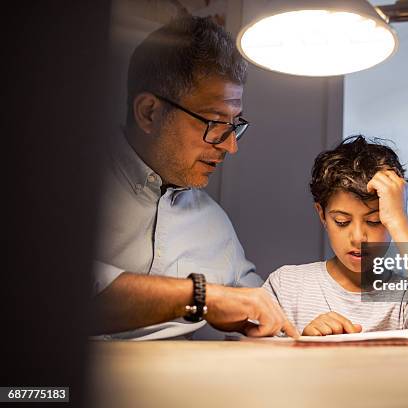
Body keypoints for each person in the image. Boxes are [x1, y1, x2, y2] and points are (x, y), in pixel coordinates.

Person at [93, 15, 298, 340]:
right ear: (149, 112)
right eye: (215, 123)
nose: (231, 146)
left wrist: (306, 321)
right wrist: (201, 296)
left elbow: (262, 308)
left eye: (234, 126)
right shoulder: (68, 183)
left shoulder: (214, 223)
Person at [263, 136, 408, 335]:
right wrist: (304, 344)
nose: (358, 238)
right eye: (342, 222)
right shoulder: (286, 285)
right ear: (322, 215)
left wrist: (399, 221)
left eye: (374, 221)